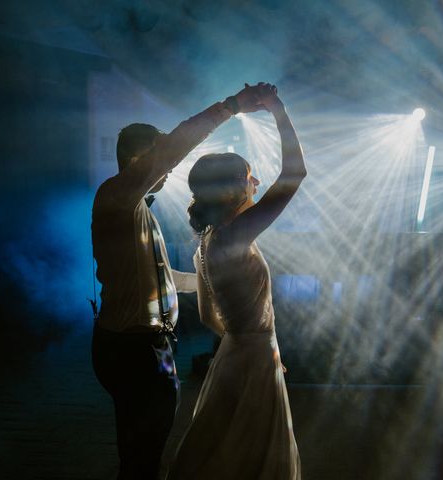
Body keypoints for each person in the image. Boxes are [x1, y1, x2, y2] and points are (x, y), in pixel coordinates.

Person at [91, 83, 266, 480]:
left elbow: (163, 281)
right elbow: (176, 145)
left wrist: (212, 278)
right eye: (161, 162)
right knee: (143, 457)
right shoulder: (117, 197)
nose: (169, 172)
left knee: (142, 454)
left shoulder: (136, 209)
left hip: (144, 345)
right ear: (139, 161)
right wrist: (232, 106)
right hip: (135, 347)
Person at [168, 84, 305, 480]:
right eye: (249, 177)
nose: (257, 182)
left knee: (222, 448)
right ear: (233, 189)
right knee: (252, 457)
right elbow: (295, 173)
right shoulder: (233, 235)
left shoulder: (209, 239)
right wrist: (278, 108)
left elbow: (211, 313)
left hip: (236, 354)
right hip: (252, 357)